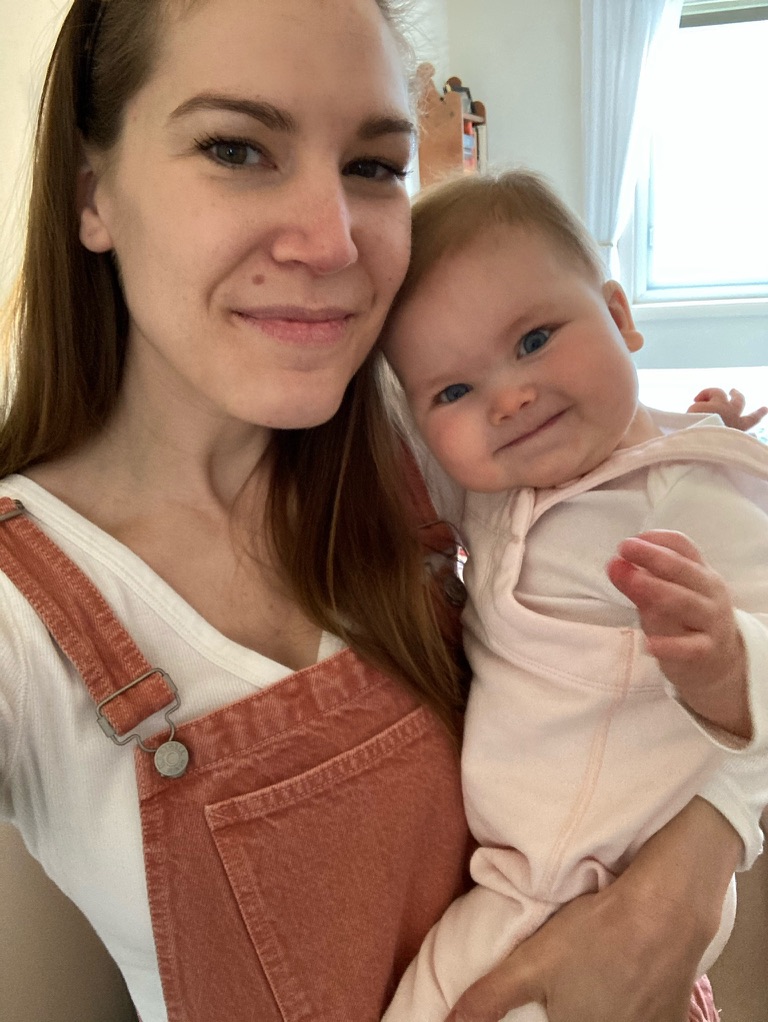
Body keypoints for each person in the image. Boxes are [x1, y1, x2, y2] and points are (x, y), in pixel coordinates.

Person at [0, 2, 753, 1020]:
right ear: (93, 195)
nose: (332, 241)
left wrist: (695, 864)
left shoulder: (433, 441)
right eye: (236, 148)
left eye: (372, 166)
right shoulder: (26, 613)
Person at [381, 168, 768, 1022]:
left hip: (599, 877)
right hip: (513, 878)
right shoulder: (492, 490)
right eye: (455, 390)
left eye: (534, 340)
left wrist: (730, 659)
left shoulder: (686, 499)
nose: (510, 398)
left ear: (621, 317)